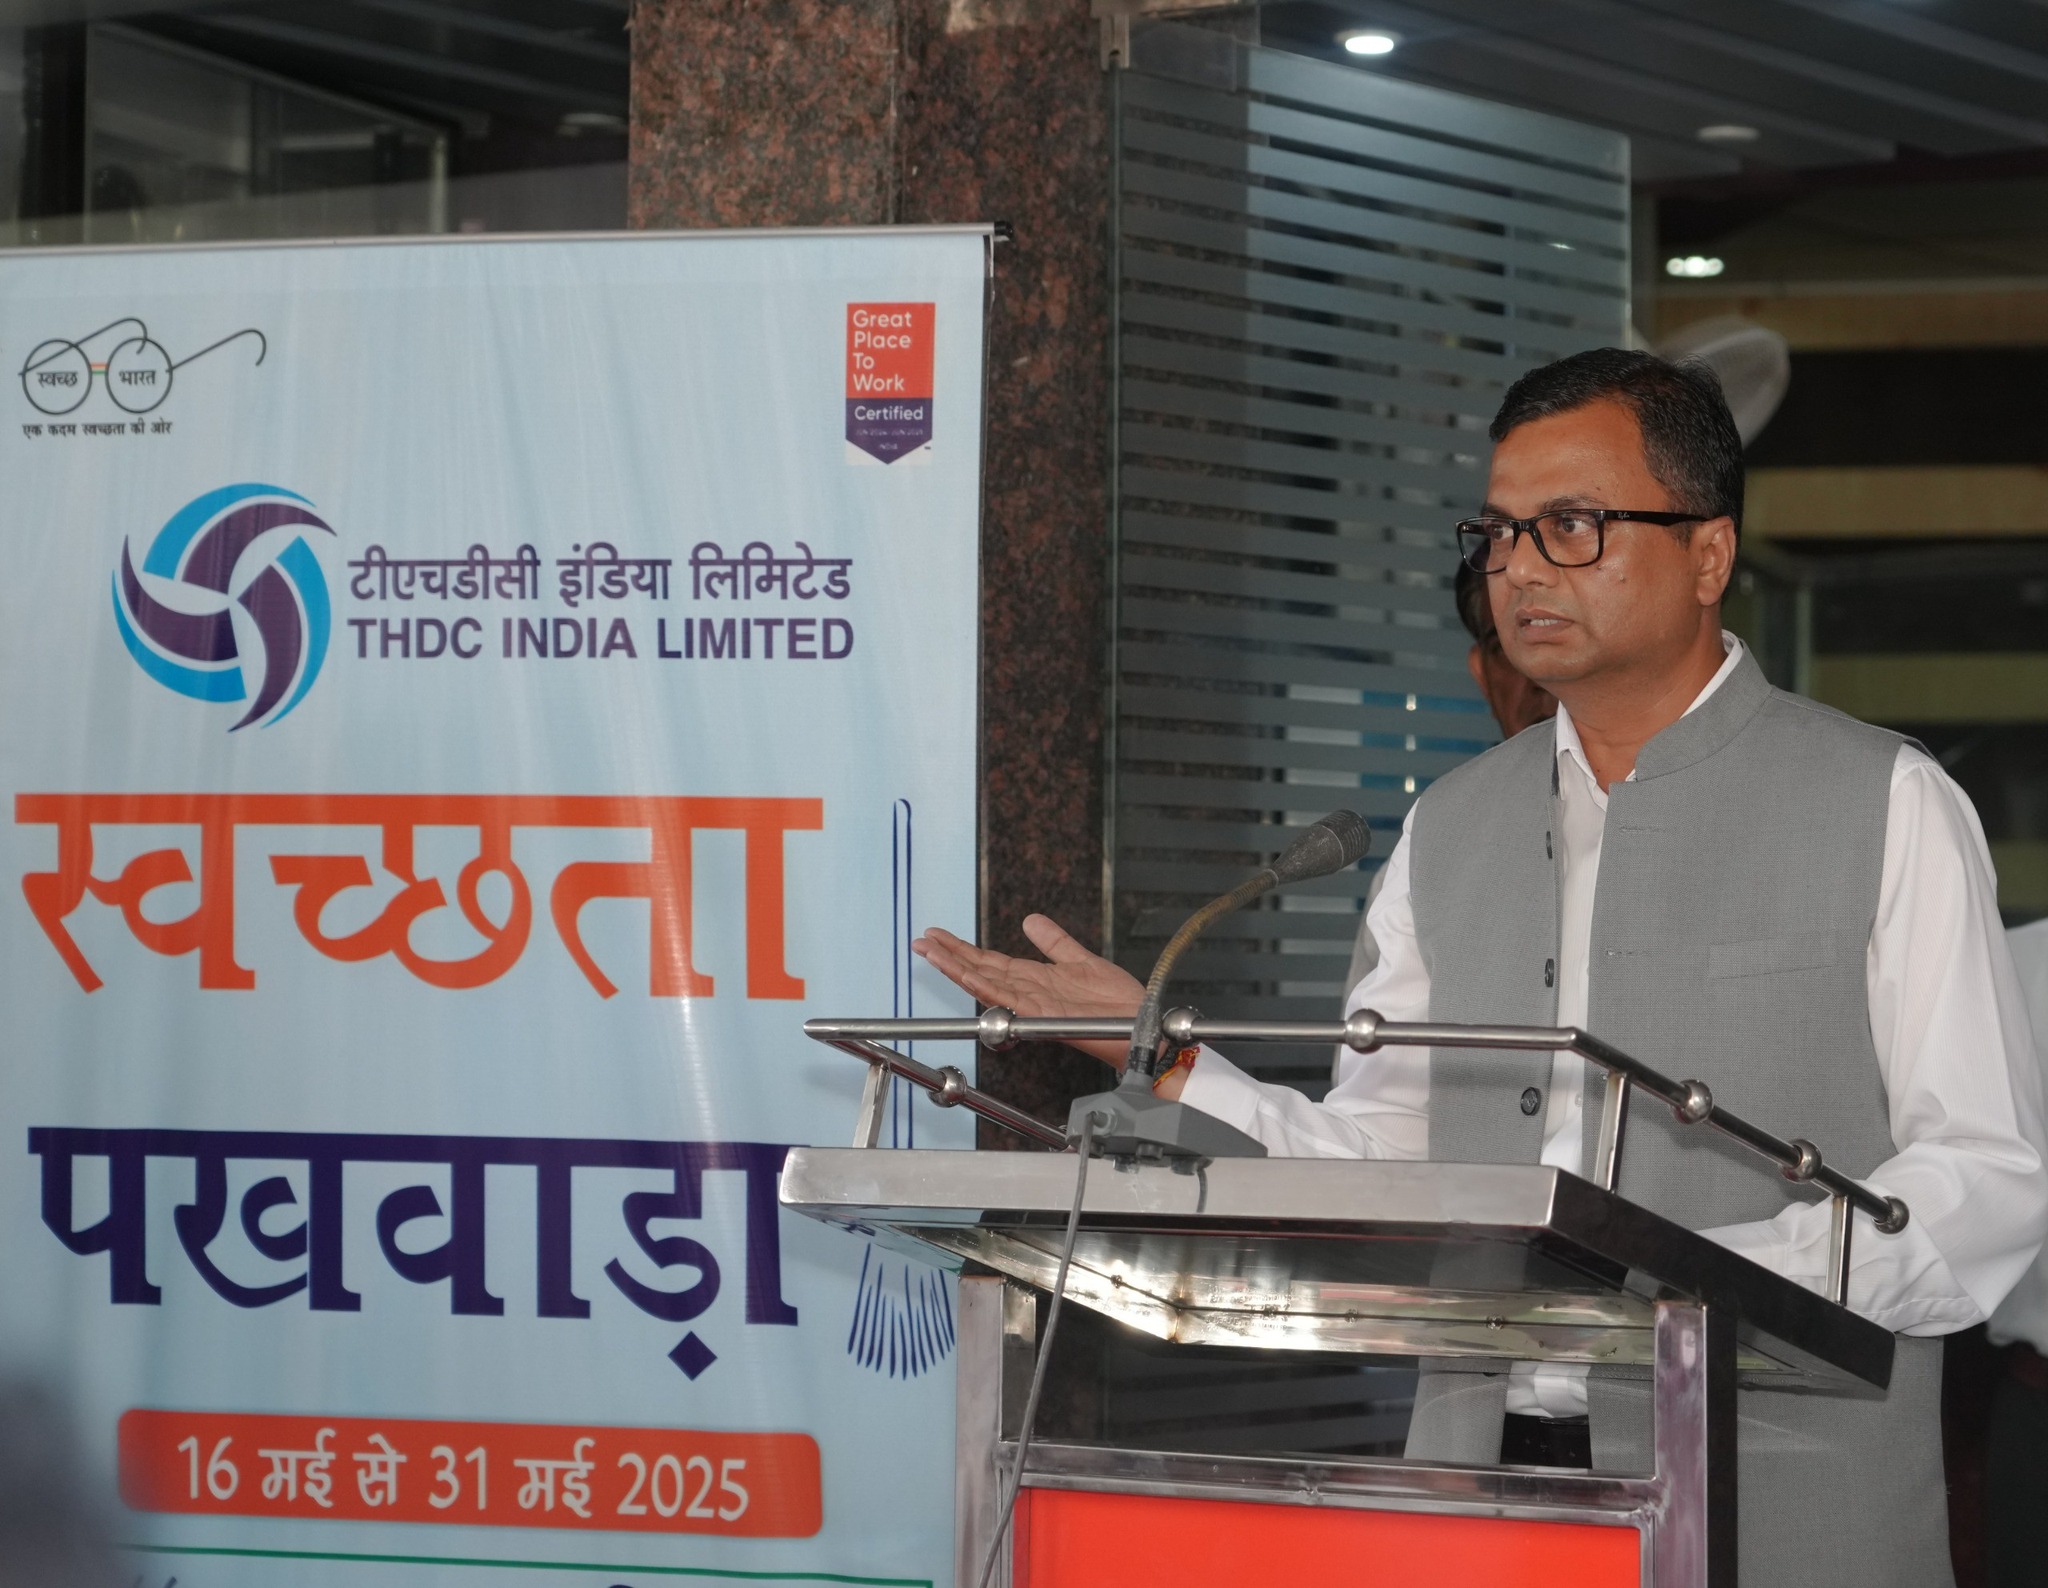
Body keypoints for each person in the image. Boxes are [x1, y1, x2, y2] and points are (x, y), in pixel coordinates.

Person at [915, 348, 2048, 1587]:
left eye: (1570, 526)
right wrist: (1171, 1060)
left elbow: (1982, 1180)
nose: (1517, 568)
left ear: (1707, 553)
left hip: (1771, 1499)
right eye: (1498, 532)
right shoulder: (1448, 824)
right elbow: (1389, 1160)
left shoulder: (1880, 802)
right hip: (1481, 1493)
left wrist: (1704, 1287)